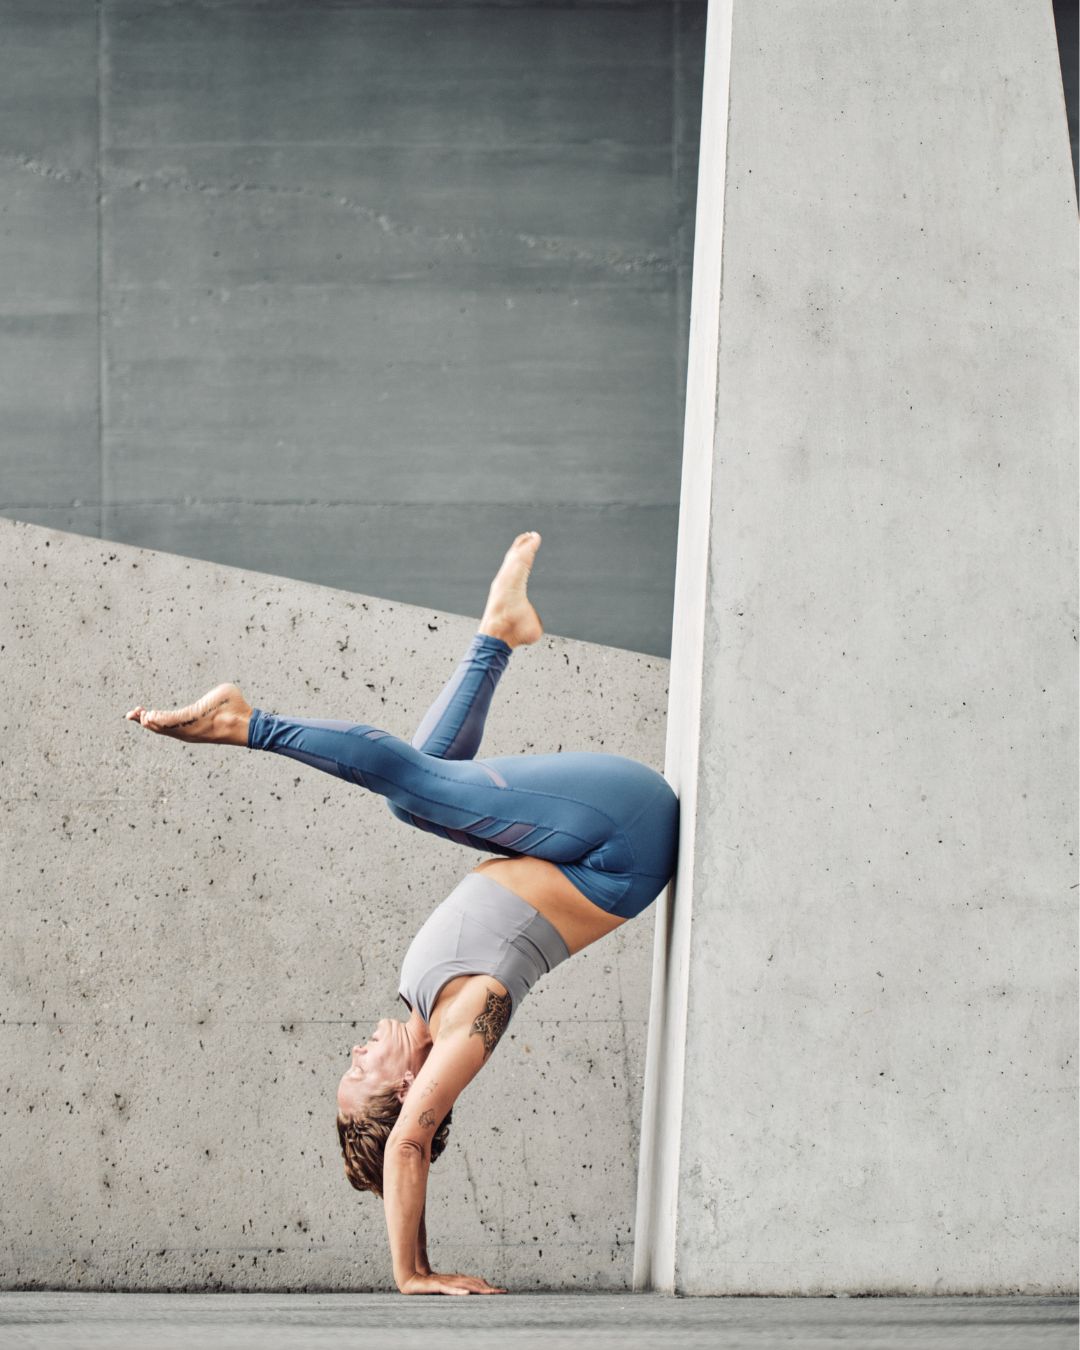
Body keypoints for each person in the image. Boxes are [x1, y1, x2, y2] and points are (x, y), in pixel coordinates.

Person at [125, 531, 679, 1296]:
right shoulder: (463, 1023)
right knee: (411, 786)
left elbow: (405, 1137)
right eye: (360, 1074)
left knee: (411, 795)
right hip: (626, 836)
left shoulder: (421, 993)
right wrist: (412, 1273)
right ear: (407, 1087)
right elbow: (409, 1145)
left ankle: (500, 633)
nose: (353, 1054)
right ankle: (245, 724)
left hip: (584, 838)